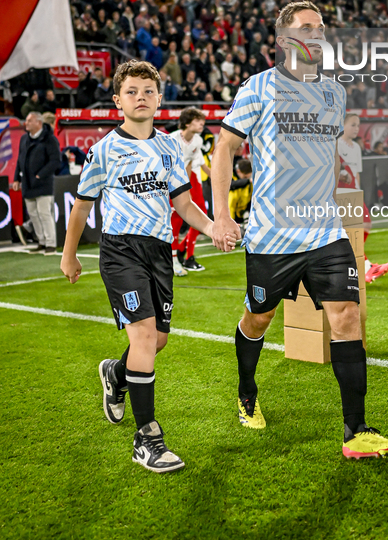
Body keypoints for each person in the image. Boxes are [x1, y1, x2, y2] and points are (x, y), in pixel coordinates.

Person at [211, 0, 388, 460]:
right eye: (306, 28)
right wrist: (221, 215)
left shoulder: (335, 93)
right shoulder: (257, 89)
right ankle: (246, 392)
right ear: (282, 40)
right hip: (271, 238)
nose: (316, 35)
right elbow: (223, 151)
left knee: (348, 318)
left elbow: (330, 157)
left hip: (325, 232)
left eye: (320, 28)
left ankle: (355, 431)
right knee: (259, 318)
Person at [60, 60, 234, 473]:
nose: (141, 97)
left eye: (148, 91)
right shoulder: (103, 150)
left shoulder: (170, 147)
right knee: (142, 338)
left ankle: (116, 375)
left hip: (159, 252)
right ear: (118, 100)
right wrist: (68, 254)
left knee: (156, 342)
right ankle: (147, 440)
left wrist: (214, 229)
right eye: (132, 91)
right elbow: (82, 206)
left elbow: (184, 205)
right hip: (120, 252)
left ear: (159, 99)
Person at [338, 113, 388, 284]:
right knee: (353, 229)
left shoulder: (356, 147)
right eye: (352, 125)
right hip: (341, 191)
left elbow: (357, 172)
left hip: (353, 190)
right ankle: (365, 267)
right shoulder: (336, 145)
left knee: (364, 225)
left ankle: (363, 265)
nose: (356, 128)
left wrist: (358, 190)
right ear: (343, 126)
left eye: (358, 125)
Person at [12, 111, 61, 254]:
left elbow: (55, 161)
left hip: (43, 184)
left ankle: (51, 243)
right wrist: (17, 178)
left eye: (29, 121)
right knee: (33, 214)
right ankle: (41, 241)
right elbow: (20, 160)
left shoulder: (50, 139)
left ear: (38, 123)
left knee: (44, 214)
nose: (25, 123)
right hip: (28, 184)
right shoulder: (24, 139)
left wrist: (41, 175)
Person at [169, 108, 210, 272]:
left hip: (185, 179)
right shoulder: (172, 139)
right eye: (197, 120)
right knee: (175, 220)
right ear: (187, 122)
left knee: (198, 215)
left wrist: (184, 188)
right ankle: (174, 259)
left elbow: (189, 164)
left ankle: (182, 252)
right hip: (169, 181)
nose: (202, 123)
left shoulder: (197, 141)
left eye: (203, 120)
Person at [228, 159, 253, 231]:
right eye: (245, 177)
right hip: (231, 212)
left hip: (244, 210)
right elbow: (231, 185)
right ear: (238, 171)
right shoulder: (229, 174)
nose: (247, 179)